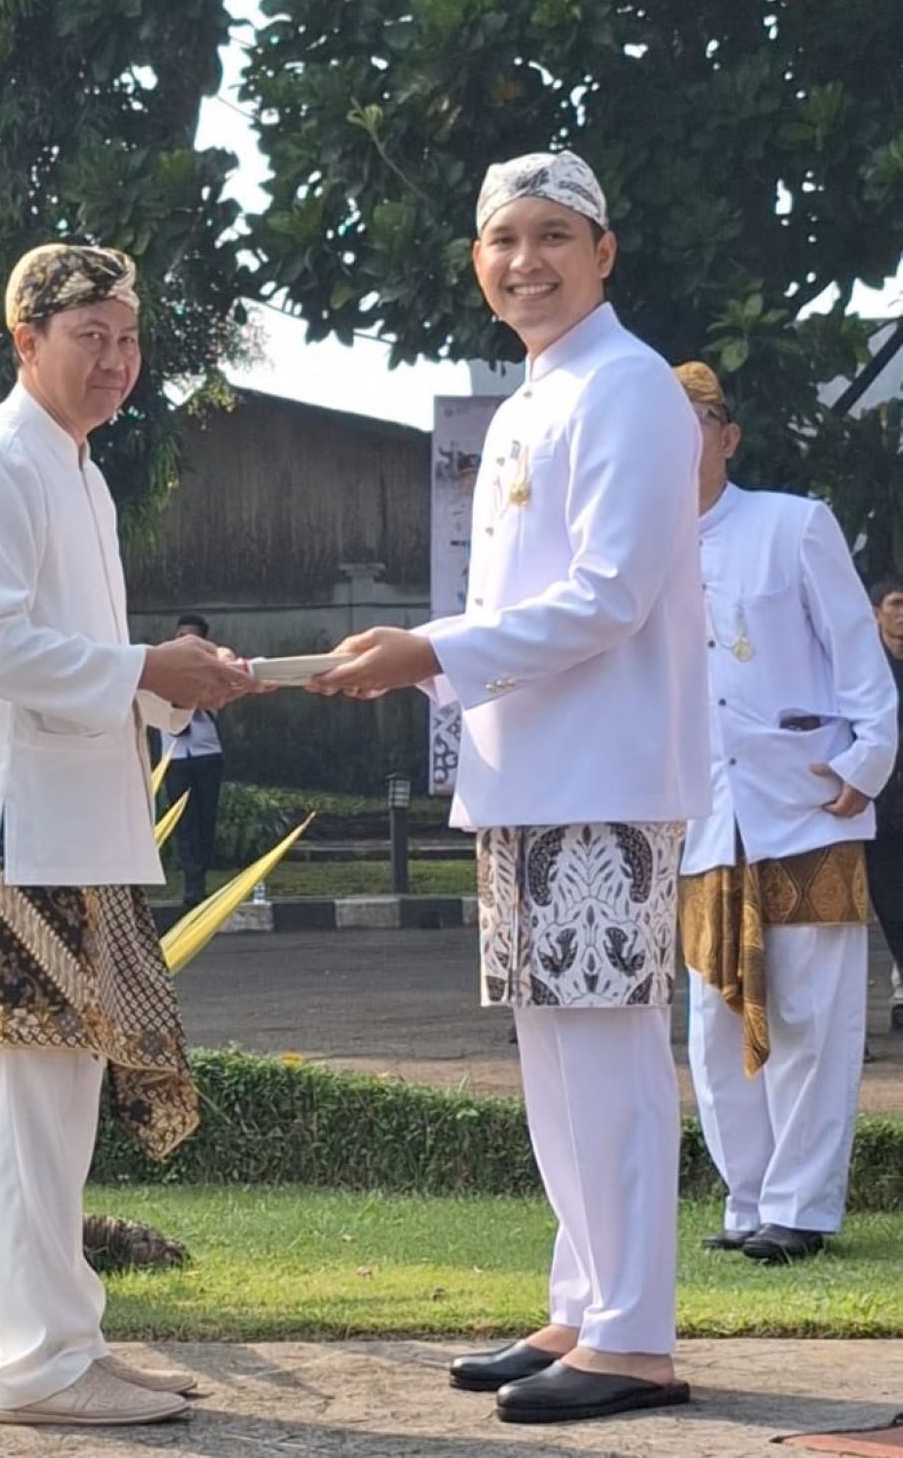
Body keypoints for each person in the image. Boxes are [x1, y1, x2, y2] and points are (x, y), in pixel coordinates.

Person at [311, 151, 710, 1425]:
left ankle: (637, 1337)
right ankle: (585, 1303)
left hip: (601, 774)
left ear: (604, 252)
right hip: (526, 776)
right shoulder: (539, 398)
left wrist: (431, 651)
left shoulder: (632, 388)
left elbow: (611, 596)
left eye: (553, 235)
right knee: (552, 1053)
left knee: (608, 1051)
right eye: (502, 240)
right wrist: (435, 660)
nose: (525, 260)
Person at [0, 242, 256, 1428]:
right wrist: (143, 670)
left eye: (127, 337)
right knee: (33, 1101)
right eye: (89, 337)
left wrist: (176, 687)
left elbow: (89, 655)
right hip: (17, 831)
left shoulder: (78, 470)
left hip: (79, 824)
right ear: (26, 342)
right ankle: (39, 1366)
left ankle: (69, 1344)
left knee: (60, 1104)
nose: (116, 361)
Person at [674, 362, 897, 1264]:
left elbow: (858, 652)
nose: (677, 442)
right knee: (713, 1020)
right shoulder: (633, 554)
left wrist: (869, 759)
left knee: (811, 1011)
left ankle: (801, 1210)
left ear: (727, 438)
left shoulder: (793, 524)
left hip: (807, 798)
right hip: (701, 813)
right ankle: (748, 1200)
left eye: (695, 423)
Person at [161, 612, 226, 909]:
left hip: (206, 752)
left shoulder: (215, 671)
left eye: (191, 637)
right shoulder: (159, 668)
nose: (184, 642)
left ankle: (201, 877)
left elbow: (217, 701)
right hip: (175, 757)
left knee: (205, 819)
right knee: (182, 821)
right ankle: (192, 886)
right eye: (180, 636)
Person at [867, 575, 903, 1030]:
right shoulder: (866, 668)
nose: (902, 612)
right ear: (876, 612)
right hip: (878, 808)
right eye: (895, 603)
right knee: (889, 905)